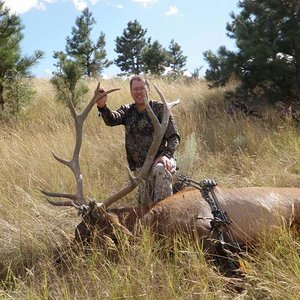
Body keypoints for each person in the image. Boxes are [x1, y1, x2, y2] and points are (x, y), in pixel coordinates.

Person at [96, 76, 180, 206]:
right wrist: (102, 107)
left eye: (142, 88)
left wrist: (166, 155)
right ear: (131, 92)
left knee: (160, 172)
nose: (139, 92)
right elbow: (111, 120)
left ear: (149, 90)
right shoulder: (128, 110)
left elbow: (174, 137)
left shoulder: (161, 109)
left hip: (160, 162)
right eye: (135, 89)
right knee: (144, 209)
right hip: (140, 169)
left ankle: (166, 214)